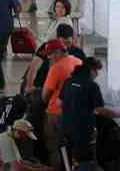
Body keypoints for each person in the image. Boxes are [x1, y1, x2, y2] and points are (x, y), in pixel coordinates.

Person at [41, 38, 82, 168]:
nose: (49, 58)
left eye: (50, 54)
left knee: (55, 148)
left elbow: (45, 95)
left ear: (58, 52)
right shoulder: (78, 61)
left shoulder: (57, 68)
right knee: (73, 148)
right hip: (76, 113)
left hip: (56, 114)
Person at [59, 57, 105, 171]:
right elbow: (99, 109)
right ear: (91, 70)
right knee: (85, 163)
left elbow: (59, 103)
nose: (97, 74)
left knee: (67, 162)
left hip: (66, 129)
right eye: (96, 71)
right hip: (84, 133)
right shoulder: (92, 86)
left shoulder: (68, 81)